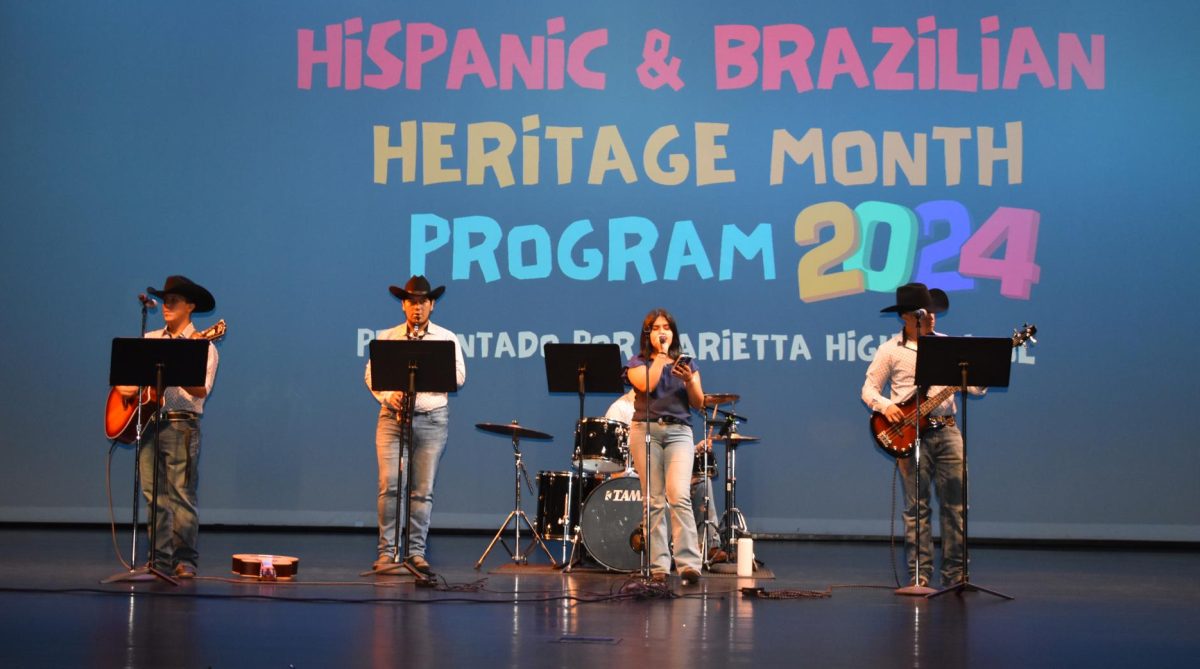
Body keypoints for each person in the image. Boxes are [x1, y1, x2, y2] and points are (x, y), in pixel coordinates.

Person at [861, 282, 984, 588]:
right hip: (909, 433)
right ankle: (920, 574)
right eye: (924, 312)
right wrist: (887, 406)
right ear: (906, 316)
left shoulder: (948, 345)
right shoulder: (890, 350)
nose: (931, 317)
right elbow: (869, 390)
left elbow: (975, 387)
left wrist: (980, 375)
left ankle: (956, 575)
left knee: (955, 507)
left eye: (932, 311)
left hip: (948, 429)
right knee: (917, 508)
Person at [116, 275, 219, 579]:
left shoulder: (204, 345)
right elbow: (125, 384)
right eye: (164, 301)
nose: (166, 306)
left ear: (190, 306)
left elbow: (202, 390)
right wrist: (129, 391)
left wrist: (177, 367)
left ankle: (185, 559)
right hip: (149, 423)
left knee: (180, 493)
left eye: (173, 301)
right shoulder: (150, 340)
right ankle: (159, 560)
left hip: (181, 425)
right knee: (153, 493)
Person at [365, 275, 466, 577]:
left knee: (422, 490)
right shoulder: (388, 337)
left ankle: (416, 553)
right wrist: (388, 394)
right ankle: (387, 554)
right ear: (403, 306)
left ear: (432, 305)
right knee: (390, 486)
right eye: (411, 302)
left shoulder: (446, 338)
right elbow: (371, 375)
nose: (417, 308)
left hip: (431, 421)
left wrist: (425, 382)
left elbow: (459, 376)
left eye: (423, 302)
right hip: (392, 420)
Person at [624, 308, 705, 584]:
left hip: (679, 432)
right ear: (648, 334)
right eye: (656, 328)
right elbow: (646, 385)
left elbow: (698, 402)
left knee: (678, 495)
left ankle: (689, 564)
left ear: (673, 332)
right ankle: (659, 566)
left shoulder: (686, 364)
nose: (662, 332)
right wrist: (659, 358)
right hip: (645, 431)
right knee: (654, 500)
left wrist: (690, 380)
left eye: (667, 328)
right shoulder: (637, 362)